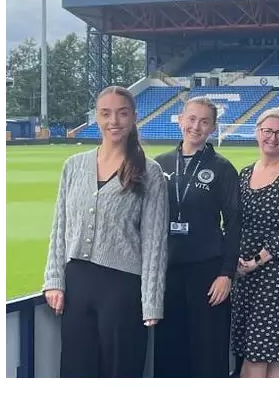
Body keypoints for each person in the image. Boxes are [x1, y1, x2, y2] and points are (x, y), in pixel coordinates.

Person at [42, 85, 169, 377]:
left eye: (122, 114)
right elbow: (60, 225)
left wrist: (151, 303)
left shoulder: (149, 173)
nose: (114, 121)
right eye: (106, 114)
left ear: (134, 117)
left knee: (121, 370)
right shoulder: (73, 166)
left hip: (122, 288)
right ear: (97, 118)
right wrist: (54, 279)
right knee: (76, 369)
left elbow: (155, 243)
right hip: (77, 285)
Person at [153, 96, 242, 378]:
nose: (196, 126)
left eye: (204, 121)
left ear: (213, 128)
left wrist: (226, 274)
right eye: (191, 119)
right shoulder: (158, 164)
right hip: (168, 273)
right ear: (180, 120)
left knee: (208, 352)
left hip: (207, 274)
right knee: (169, 351)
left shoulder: (222, 167)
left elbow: (234, 224)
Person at [231, 107, 279, 378]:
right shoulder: (243, 174)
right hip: (245, 274)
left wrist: (256, 261)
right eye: (267, 131)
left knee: (259, 352)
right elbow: (235, 221)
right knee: (269, 357)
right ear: (257, 133)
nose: (272, 138)